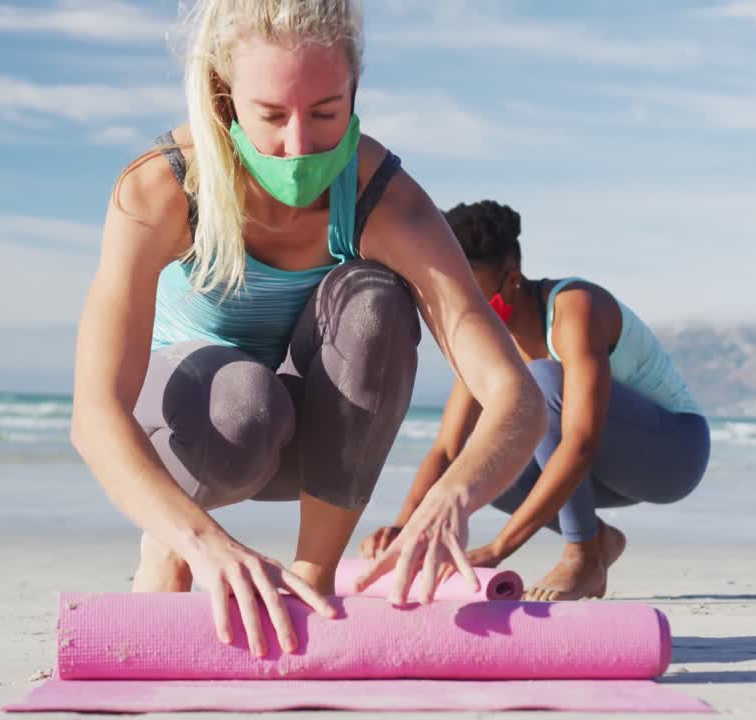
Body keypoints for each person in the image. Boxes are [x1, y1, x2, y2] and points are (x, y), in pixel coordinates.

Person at [69, 0, 547, 657]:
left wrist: (451, 499)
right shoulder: (164, 188)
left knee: (376, 301)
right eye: (270, 116)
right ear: (224, 94)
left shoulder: (387, 202)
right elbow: (93, 414)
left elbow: (517, 399)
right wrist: (201, 543)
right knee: (244, 402)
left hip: (317, 449)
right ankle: (167, 547)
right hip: (197, 440)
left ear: (354, 90)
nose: (300, 148)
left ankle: (313, 576)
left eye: (325, 113)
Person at [361, 201, 710, 600]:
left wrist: (497, 550)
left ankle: (581, 556)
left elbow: (580, 444)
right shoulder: (488, 338)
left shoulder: (575, 308)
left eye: (476, 294)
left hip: (674, 453)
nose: (466, 308)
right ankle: (598, 540)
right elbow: (447, 449)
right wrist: (404, 530)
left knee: (539, 381)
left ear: (512, 280)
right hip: (609, 468)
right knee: (485, 463)